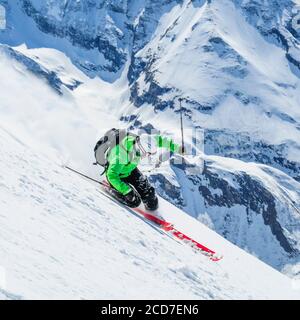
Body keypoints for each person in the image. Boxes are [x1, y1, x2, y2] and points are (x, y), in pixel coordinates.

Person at [104, 131, 182, 211]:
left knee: (150, 195)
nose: (147, 156)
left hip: (130, 170)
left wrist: (176, 147)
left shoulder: (144, 141)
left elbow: (160, 140)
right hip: (117, 177)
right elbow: (112, 175)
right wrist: (126, 190)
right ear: (142, 149)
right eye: (148, 154)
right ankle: (113, 190)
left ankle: (153, 210)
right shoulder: (121, 156)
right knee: (134, 201)